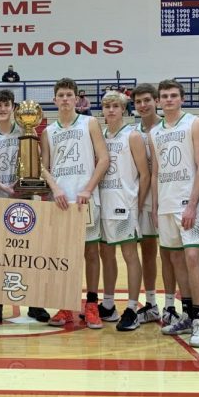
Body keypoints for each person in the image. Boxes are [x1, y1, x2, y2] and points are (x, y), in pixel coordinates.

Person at [40, 78, 109, 328]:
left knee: (91, 252)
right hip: (59, 201)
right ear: (55, 100)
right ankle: (66, 305)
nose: (66, 99)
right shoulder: (48, 131)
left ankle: (91, 305)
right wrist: (55, 187)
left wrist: (88, 189)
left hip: (85, 199)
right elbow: (43, 167)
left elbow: (103, 159)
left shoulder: (90, 122)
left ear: (77, 99)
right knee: (64, 255)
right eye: (62, 95)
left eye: (70, 95)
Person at [0, 89, 51, 323]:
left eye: (6, 104)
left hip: (24, 199)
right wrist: (4, 186)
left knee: (29, 253)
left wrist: (25, 186)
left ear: (13, 108)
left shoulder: (26, 130)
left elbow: (37, 163)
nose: (2, 108)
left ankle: (35, 303)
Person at [148, 79, 199, 348]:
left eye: (174, 95)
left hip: (189, 202)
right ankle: (186, 315)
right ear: (159, 101)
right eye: (164, 96)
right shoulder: (154, 132)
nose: (169, 100)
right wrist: (155, 205)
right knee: (175, 260)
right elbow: (155, 173)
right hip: (166, 203)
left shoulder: (194, 124)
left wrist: (193, 204)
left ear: (182, 98)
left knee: (193, 257)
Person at [98, 90, 150, 331]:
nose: (111, 110)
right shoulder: (99, 136)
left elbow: (145, 174)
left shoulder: (133, 135)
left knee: (130, 255)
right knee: (105, 255)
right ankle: (108, 304)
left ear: (123, 109)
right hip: (102, 204)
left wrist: (137, 205)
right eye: (107, 106)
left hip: (124, 204)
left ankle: (131, 307)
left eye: (115, 106)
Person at [131, 83, 171, 325]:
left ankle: (170, 305)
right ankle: (152, 304)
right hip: (143, 199)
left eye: (147, 100)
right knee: (147, 252)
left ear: (156, 100)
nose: (143, 105)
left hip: (167, 196)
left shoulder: (170, 127)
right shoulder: (132, 132)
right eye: (138, 102)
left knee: (169, 253)